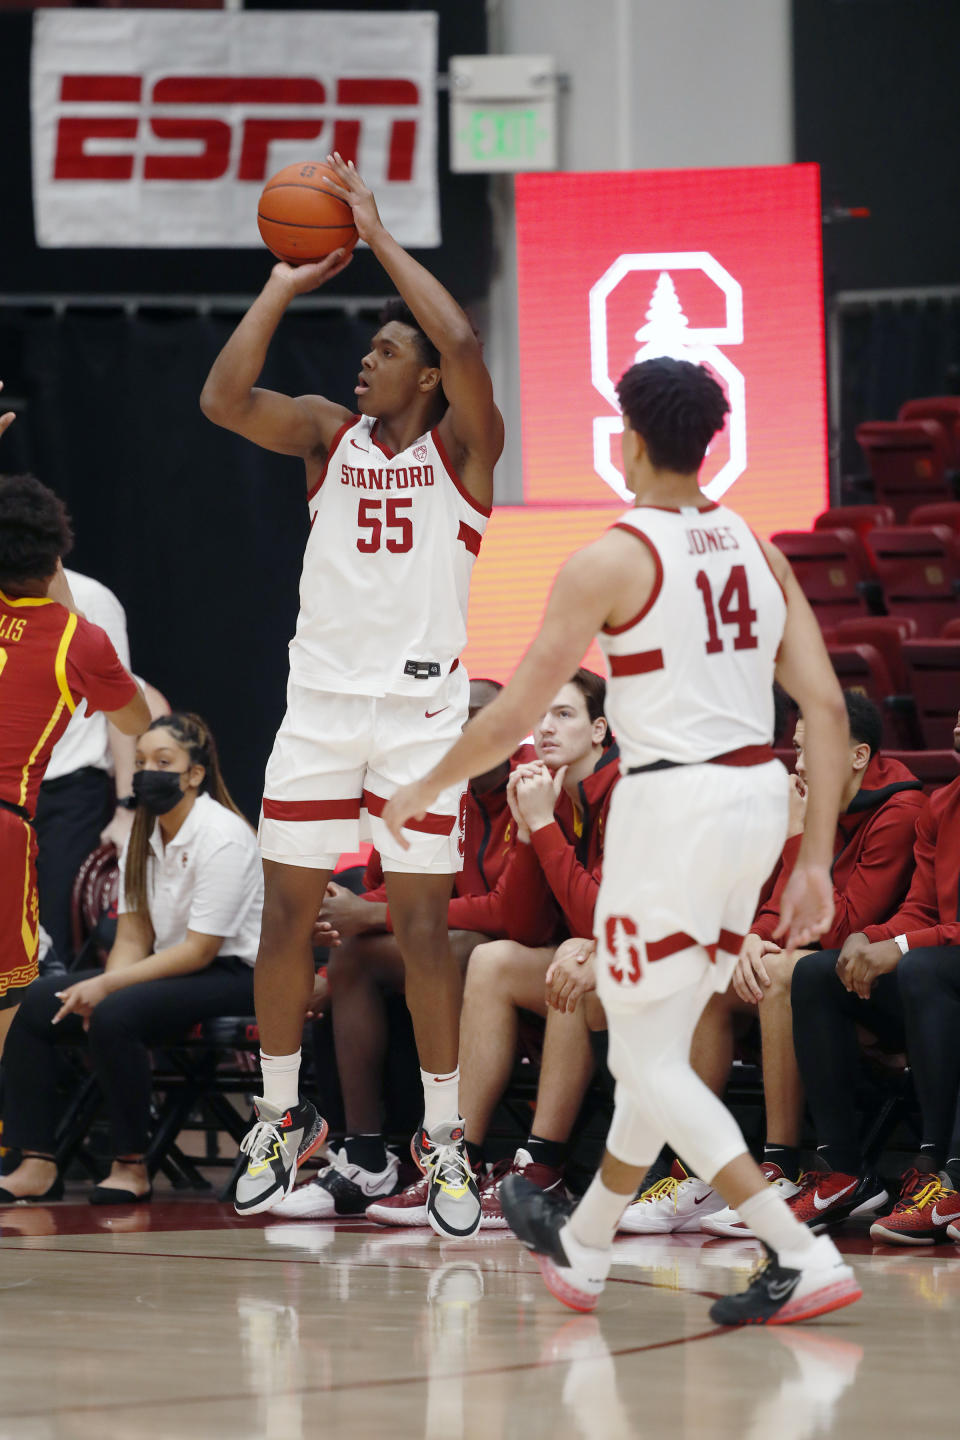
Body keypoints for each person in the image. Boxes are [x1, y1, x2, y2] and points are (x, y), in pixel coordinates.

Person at [384, 356, 859, 1326]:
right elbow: (823, 703)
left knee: (645, 1060)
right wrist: (811, 858)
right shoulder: (760, 551)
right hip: (759, 799)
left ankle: (798, 1251)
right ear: (709, 440)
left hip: (675, 810)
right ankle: (589, 1247)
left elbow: (513, 705)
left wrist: (422, 786)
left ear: (628, 441)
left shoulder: (613, 557)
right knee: (656, 1038)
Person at [200, 153, 503, 1233]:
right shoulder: (330, 434)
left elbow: (462, 341)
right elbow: (224, 399)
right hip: (322, 708)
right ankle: (282, 1118)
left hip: (422, 721)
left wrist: (374, 233)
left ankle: (447, 1139)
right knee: (289, 914)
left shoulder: (468, 453)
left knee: (420, 935)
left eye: (384, 351)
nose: (364, 362)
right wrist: (285, 280)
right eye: (366, 348)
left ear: (425, 379)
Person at [271, 678, 549, 1221]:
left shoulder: (533, 784)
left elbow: (508, 913)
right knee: (351, 957)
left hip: (523, 952)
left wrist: (373, 915)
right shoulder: (433, 787)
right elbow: (388, 884)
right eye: (451, 716)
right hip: (454, 947)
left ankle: (453, 1156)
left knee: (461, 945)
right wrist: (340, 916)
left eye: (476, 715)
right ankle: (367, 1155)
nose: (461, 728)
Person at [370, 670, 617, 1227]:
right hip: (601, 958)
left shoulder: (620, 787)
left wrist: (539, 827)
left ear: (600, 730)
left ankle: (541, 1167)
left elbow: (593, 916)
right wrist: (534, 833)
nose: (546, 728)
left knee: (568, 956)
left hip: (672, 958)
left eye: (565, 714)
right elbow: (525, 926)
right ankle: (456, 1160)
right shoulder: (555, 789)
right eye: (542, 715)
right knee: (495, 959)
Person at [0, 713, 263, 1204]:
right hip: (169, 970)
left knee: (117, 1013)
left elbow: (200, 949)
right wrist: (107, 984)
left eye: (163, 762)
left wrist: (108, 989)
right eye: (139, 761)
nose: (146, 772)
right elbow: (133, 935)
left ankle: (131, 1164)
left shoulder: (222, 834)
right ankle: (35, 1159)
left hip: (234, 974)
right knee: (29, 1002)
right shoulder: (145, 836)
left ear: (194, 774)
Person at [789, 732, 960, 1243]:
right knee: (817, 972)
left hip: (938, 973)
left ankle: (943, 1174)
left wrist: (903, 948)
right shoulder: (942, 804)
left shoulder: (909, 804)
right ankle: (843, 1172)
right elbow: (922, 908)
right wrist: (870, 937)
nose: (955, 728)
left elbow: (922, 939)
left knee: (921, 969)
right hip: (939, 974)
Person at [0, 472, 148, 1056]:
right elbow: (137, 721)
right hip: (7, 824)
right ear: (56, 552)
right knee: (12, 991)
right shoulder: (77, 641)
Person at [36, 567, 138, 969]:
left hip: (70, 791)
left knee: (54, 937)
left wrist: (127, 804)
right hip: (14, 788)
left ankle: (47, 1029)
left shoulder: (91, 597)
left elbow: (120, 703)